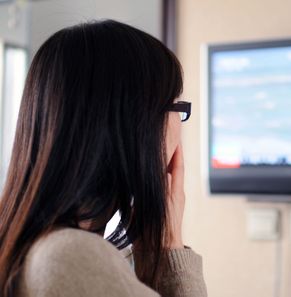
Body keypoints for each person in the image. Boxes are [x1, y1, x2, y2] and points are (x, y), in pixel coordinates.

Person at [0, 19, 207, 297]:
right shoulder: (72, 256)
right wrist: (170, 246)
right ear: (133, 123)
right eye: (176, 107)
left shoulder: (39, 246)